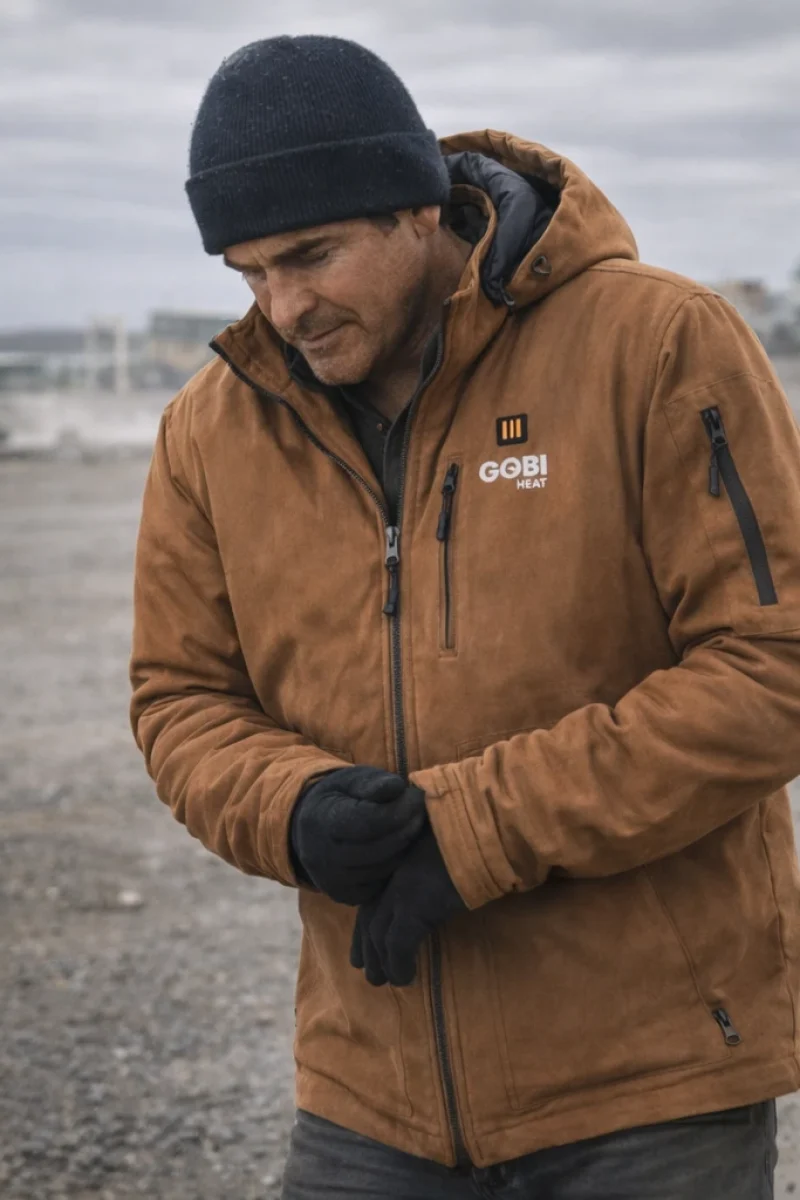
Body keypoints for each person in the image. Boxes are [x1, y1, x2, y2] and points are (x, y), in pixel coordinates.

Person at [129, 33, 800, 1199]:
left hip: (649, 1088)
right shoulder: (210, 427)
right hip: (365, 1093)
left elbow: (772, 664)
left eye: (310, 255)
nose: (282, 307)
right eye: (246, 273)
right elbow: (180, 699)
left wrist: (472, 830)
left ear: (417, 210)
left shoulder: (652, 344)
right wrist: (289, 808)